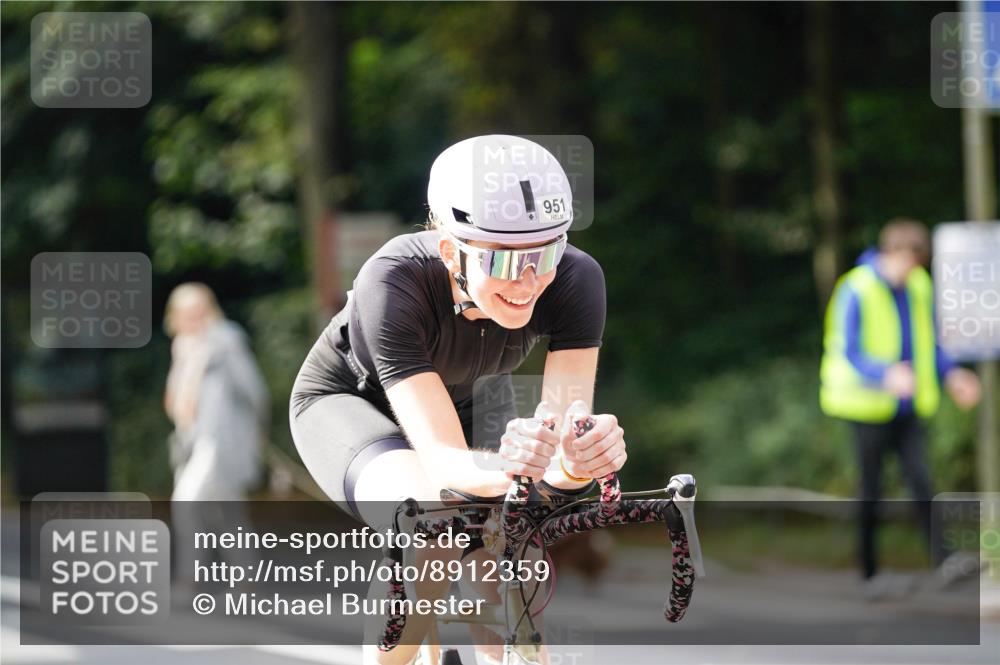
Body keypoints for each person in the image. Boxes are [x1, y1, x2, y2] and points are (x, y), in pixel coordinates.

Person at [290, 135, 627, 664]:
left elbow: (560, 455)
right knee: (433, 530)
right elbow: (445, 464)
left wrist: (579, 460)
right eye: (505, 262)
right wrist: (517, 472)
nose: (529, 281)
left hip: (465, 404)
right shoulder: (392, 280)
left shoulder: (576, 279)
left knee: (511, 562)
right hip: (350, 404)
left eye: (547, 252)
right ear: (450, 252)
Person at [820, 218, 982, 598]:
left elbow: (931, 343)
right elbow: (847, 350)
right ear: (890, 252)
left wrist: (952, 373)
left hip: (907, 405)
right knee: (871, 490)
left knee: (922, 481)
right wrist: (885, 374)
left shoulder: (918, 285)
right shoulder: (856, 288)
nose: (911, 270)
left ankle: (945, 560)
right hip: (866, 408)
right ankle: (869, 574)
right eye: (908, 262)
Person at [164, 283, 270, 592]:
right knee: (226, 511)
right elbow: (175, 398)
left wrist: (255, 433)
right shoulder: (183, 346)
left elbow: (254, 390)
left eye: (199, 311)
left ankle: (190, 575)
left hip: (220, 442)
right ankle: (246, 576)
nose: (194, 318)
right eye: (187, 312)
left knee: (187, 502)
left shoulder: (225, 342)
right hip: (190, 440)